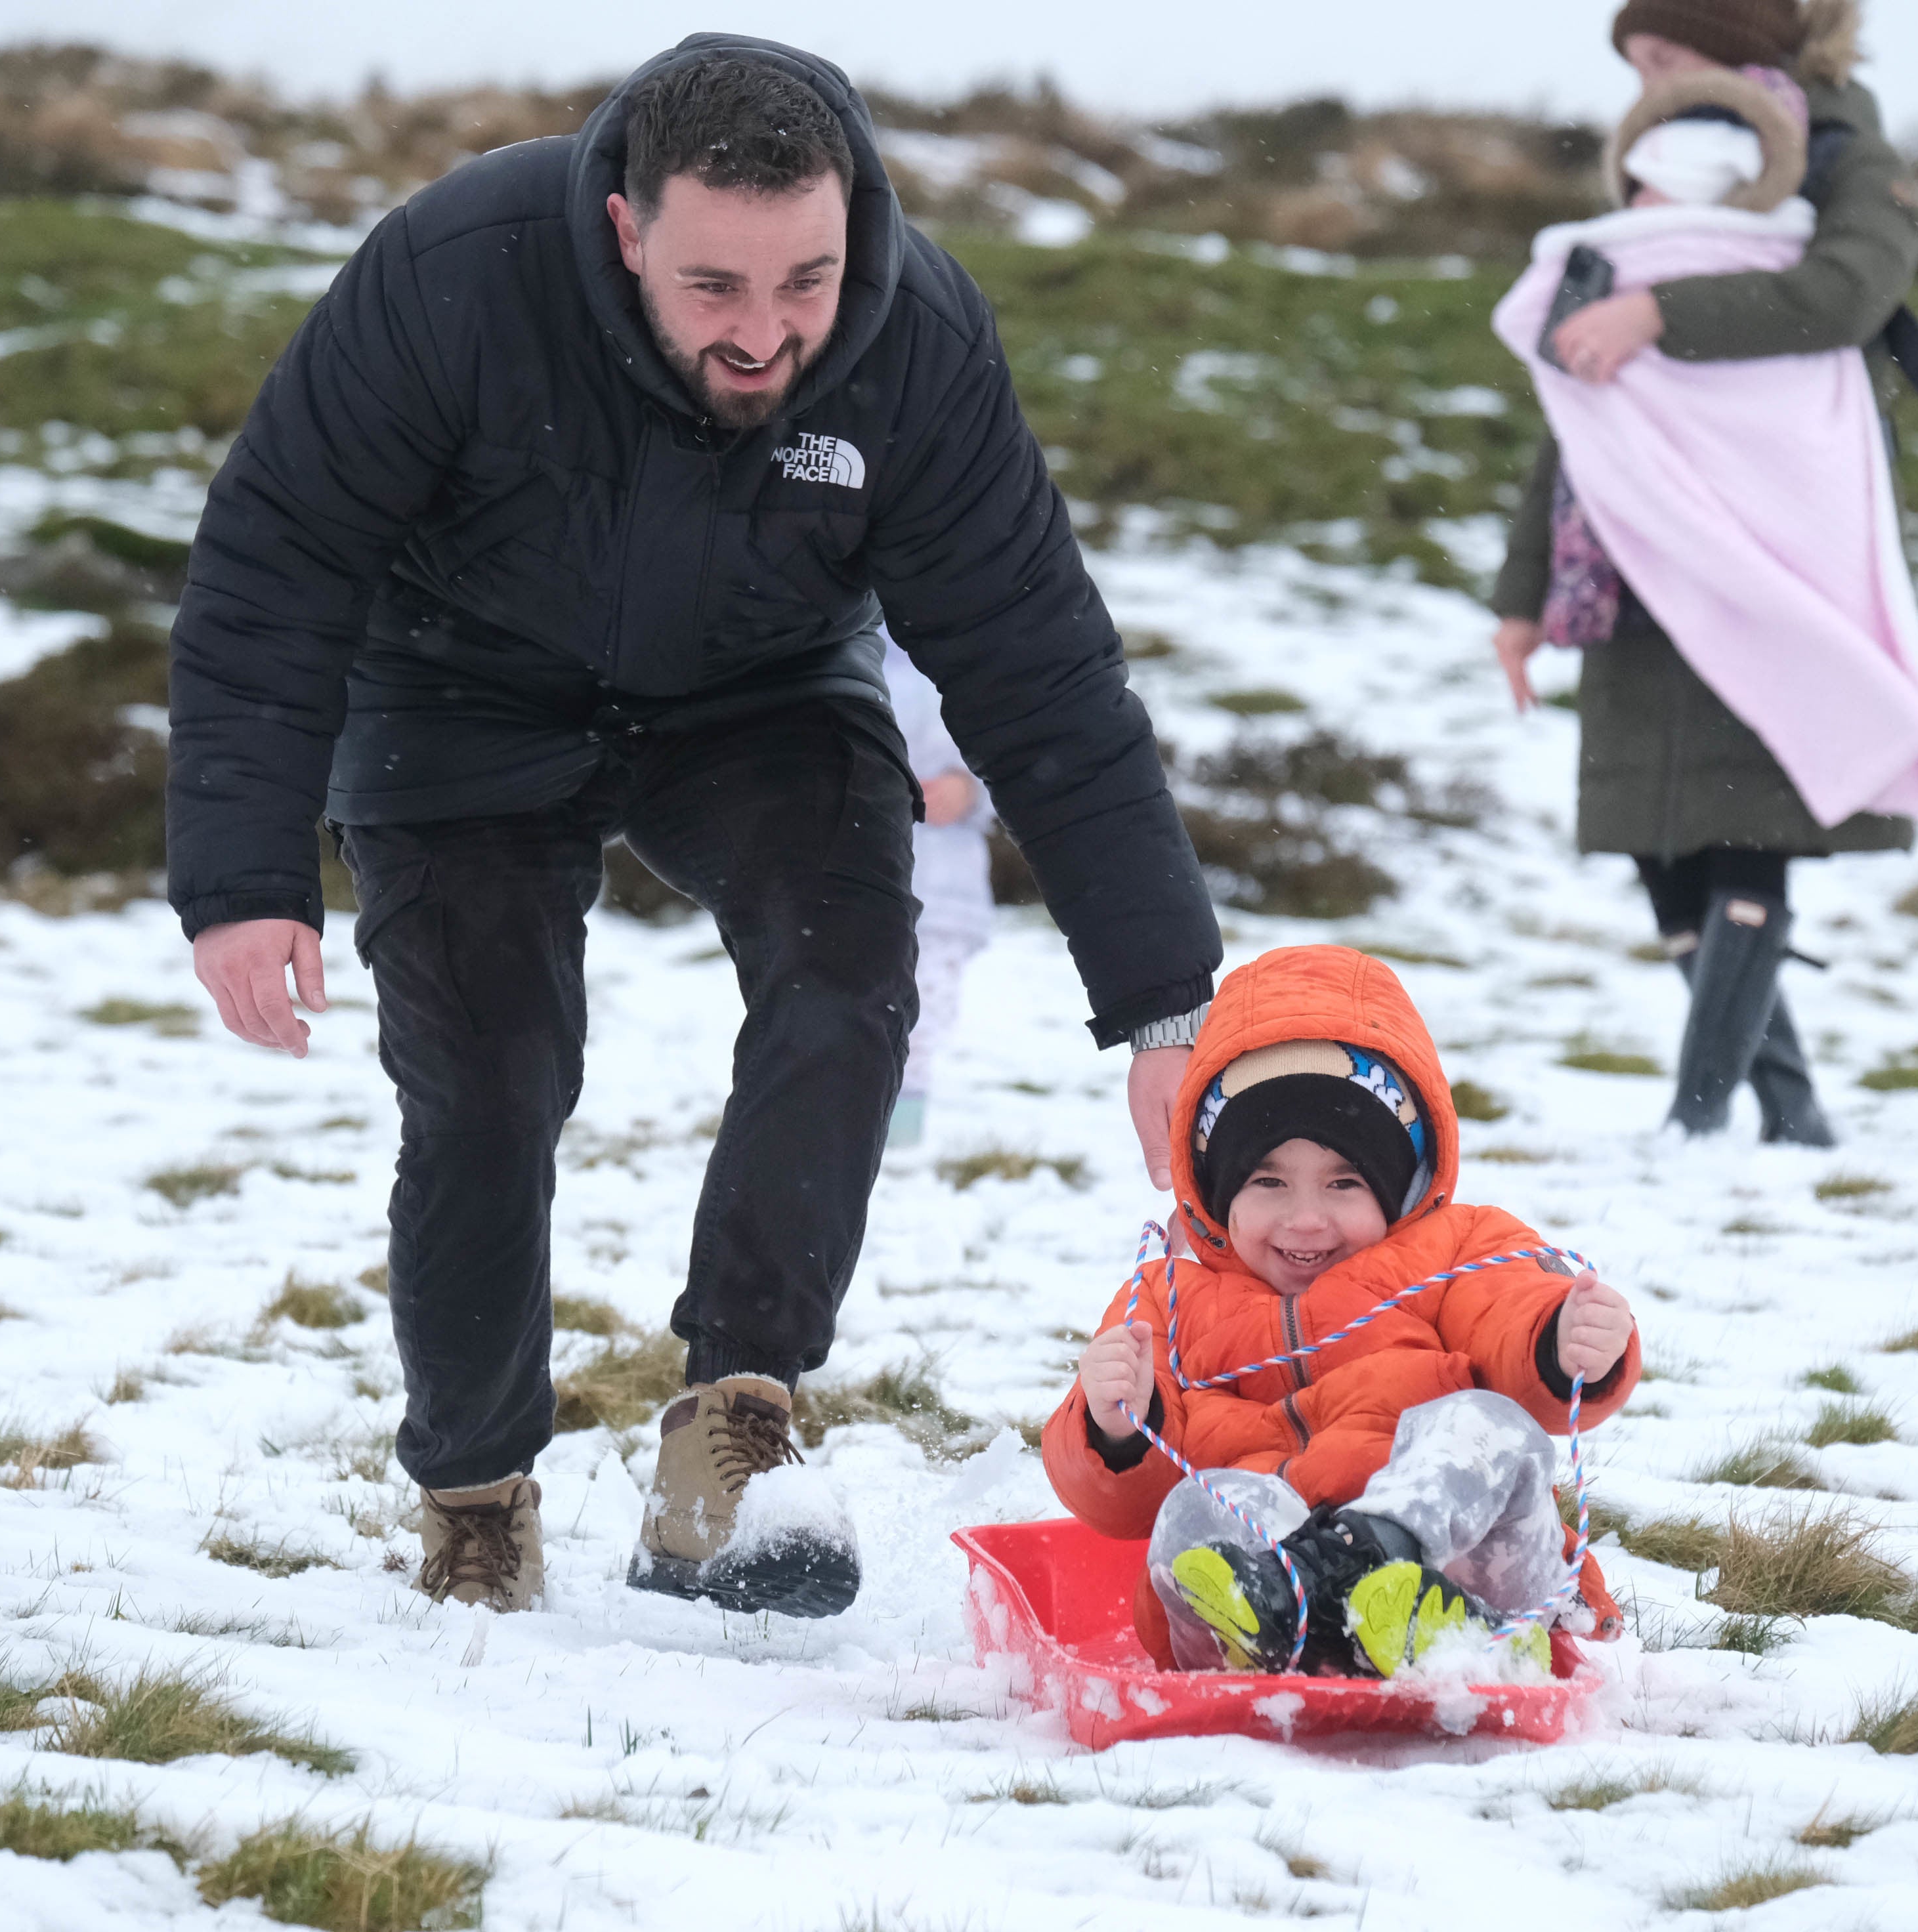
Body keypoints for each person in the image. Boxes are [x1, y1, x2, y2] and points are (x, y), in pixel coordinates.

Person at [165, 37, 1222, 1621]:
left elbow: (1038, 668)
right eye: (715, 287)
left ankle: (732, 1426)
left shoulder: (910, 341)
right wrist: (243, 877)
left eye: (802, 279)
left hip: (758, 690)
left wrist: (1160, 995)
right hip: (459, 692)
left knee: (852, 962)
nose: (764, 331)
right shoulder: (456, 273)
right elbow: (277, 560)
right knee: (492, 1075)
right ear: (623, 229)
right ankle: (471, 1488)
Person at [1492, 0, 1918, 1148]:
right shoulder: (1663, 179)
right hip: (1636, 554)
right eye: (1634, 64)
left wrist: (1661, 308)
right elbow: (1584, 403)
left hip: (1771, 546)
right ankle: (1790, 1111)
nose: (1642, 80)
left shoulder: (1845, 153)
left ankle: (1697, 1122)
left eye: (1663, 54)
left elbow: (1850, 292)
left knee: (1748, 829)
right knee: (1661, 837)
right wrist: (1520, 591)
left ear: (1744, 49)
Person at [1043, 946, 1639, 1679]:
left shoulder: (1457, 1249)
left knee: (1485, 1426)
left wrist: (1566, 1341)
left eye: (1343, 1182)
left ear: (1398, 1185)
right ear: (1216, 1188)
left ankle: (1405, 1588)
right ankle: (1278, 1619)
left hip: (1465, 1570)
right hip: (1271, 1597)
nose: (1306, 1219)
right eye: (1268, 1181)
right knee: (1201, 1508)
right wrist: (1114, 1425)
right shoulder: (1167, 1301)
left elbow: (1515, 1309)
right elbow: (1115, 1503)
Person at [880, 640, 995, 1151]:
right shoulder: (835, 642)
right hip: (851, 874)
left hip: (945, 884)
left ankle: (902, 1137)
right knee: (845, 1009)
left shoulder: (971, 650)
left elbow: (1009, 762)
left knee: (923, 1017)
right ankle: (840, 1129)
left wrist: (967, 789)